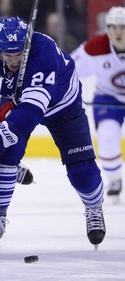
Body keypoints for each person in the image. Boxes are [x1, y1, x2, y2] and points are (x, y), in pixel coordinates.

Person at [0, 16, 106, 253]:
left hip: (62, 104)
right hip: (15, 102)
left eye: (18, 54)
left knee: (81, 170)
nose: (13, 61)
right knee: (4, 158)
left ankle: (94, 207)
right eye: (7, 55)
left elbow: (33, 109)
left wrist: (0, 136)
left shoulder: (43, 50)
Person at [71, 6, 125, 204]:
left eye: (123, 27)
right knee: (107, 139)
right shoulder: (95, 48)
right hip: (108, 98)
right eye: (113, 27)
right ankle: (115, 180)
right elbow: (68, 67)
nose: (118, 32)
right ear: (107, 28)